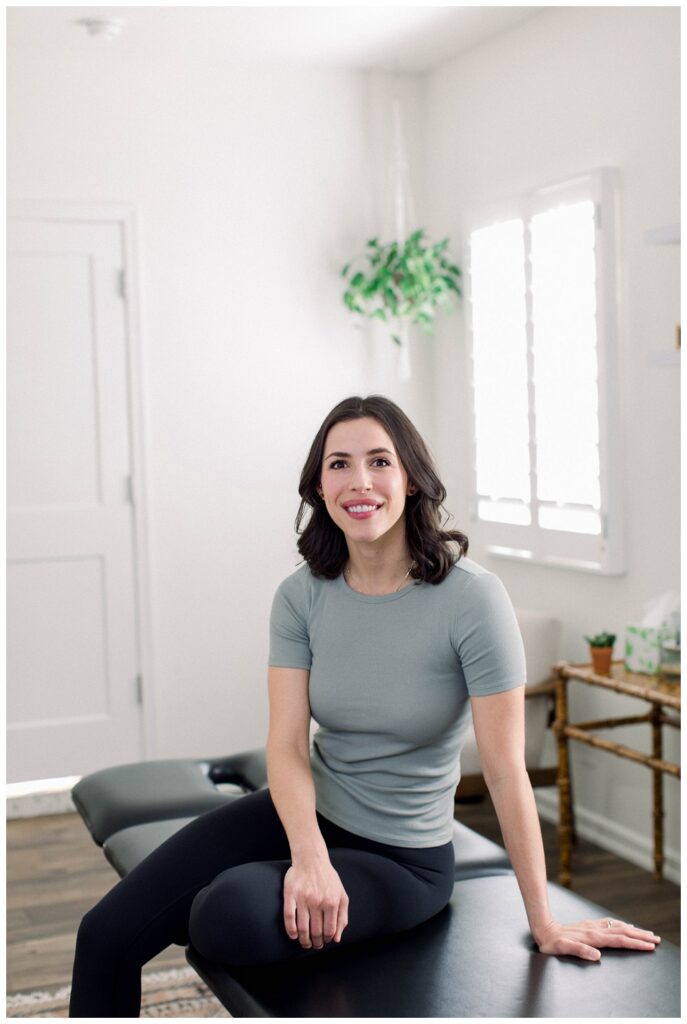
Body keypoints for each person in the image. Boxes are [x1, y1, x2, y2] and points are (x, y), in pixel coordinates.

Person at [69, 394, 660, 1017]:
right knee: (105, 935)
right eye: (339, 465)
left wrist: (544, 920)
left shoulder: (472, 600)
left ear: (411, 478)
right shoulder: (300, 596)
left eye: (380, 462)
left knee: (224, 915)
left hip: (403, 860)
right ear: (319, 486)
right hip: (304, 812)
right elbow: (287, 744)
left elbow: (508, 770)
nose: (360, 482)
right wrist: (309, 856)